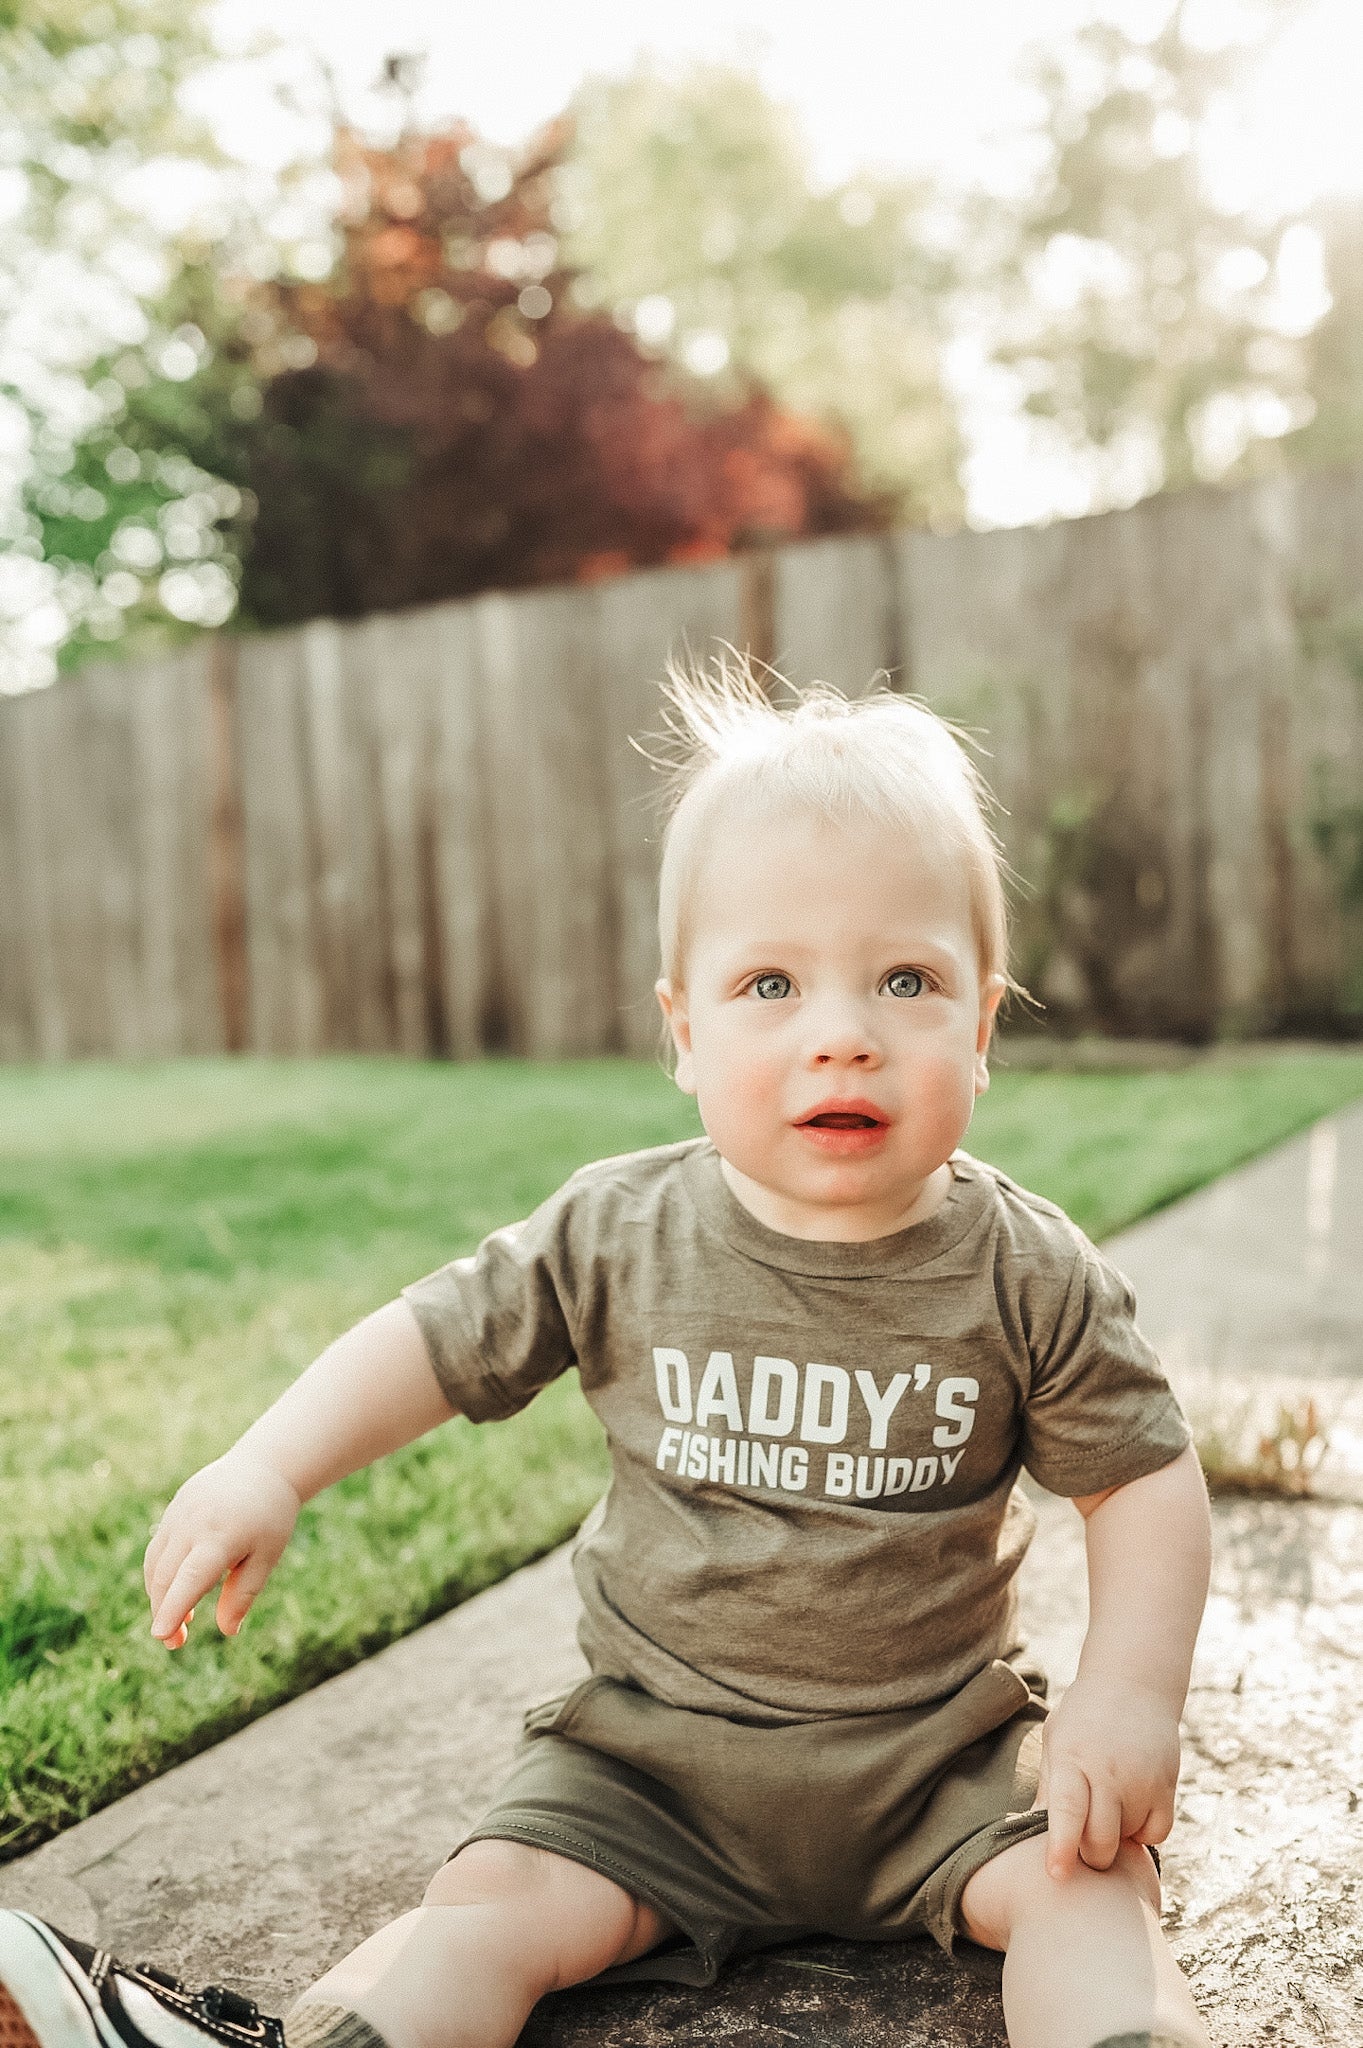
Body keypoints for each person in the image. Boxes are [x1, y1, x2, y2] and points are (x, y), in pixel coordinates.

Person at [0, 653, 1213, 2048]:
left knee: (1089, 1882)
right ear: (683, 1033)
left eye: (905, 980)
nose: (841, 1037)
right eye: (771, 984)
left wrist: (1127, 1698)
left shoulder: (1027, 1268)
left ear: (983, 1027)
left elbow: (1144, 1484)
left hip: (941, 1766)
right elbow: (433, 1339)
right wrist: (269, 1464)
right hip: (649, 1773)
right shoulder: (618, 1231)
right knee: (486, 1905)